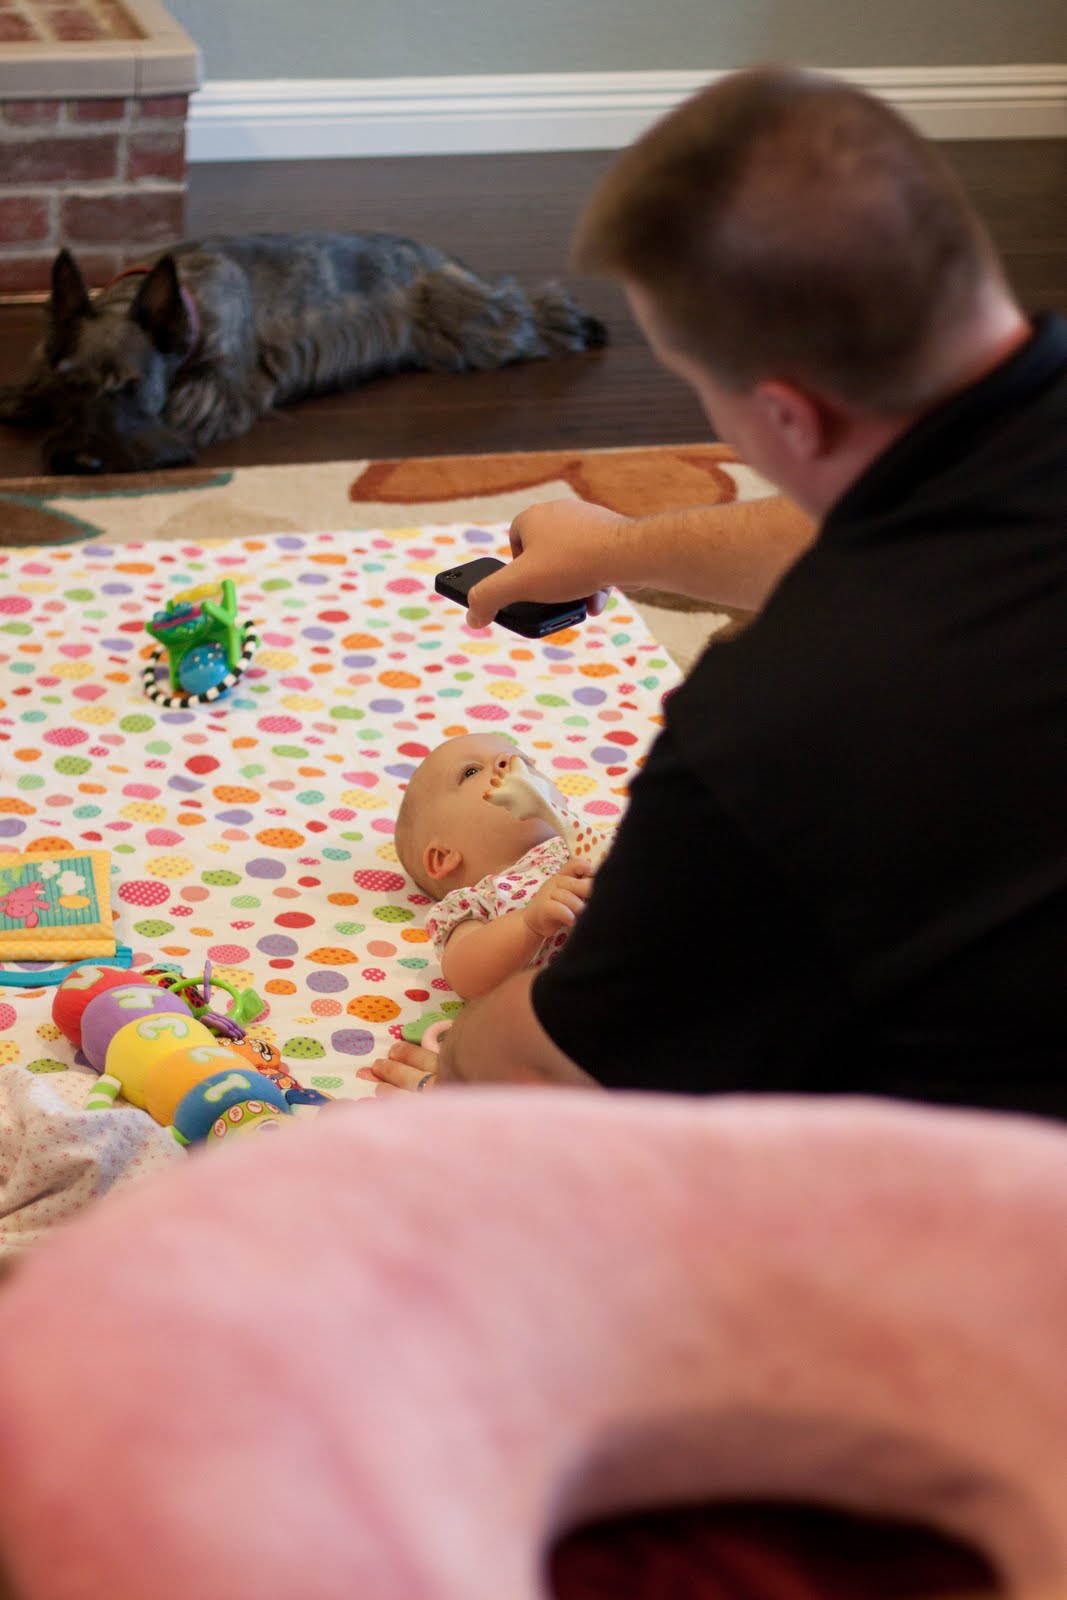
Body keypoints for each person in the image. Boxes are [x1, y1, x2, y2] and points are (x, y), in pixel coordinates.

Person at [372, 65, 1067, 1114]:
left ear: (784, 418)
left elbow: (550, 1065)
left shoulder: (773, 724)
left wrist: (453, 1070)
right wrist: (616, 546)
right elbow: (891, 509)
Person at [394, 734, 595, 999]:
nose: (509, 760)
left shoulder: (601, 838)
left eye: (523, 760)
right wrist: (528, 923)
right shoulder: (475, 903)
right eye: (471, 771)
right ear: (443, 856)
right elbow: (467, 977)